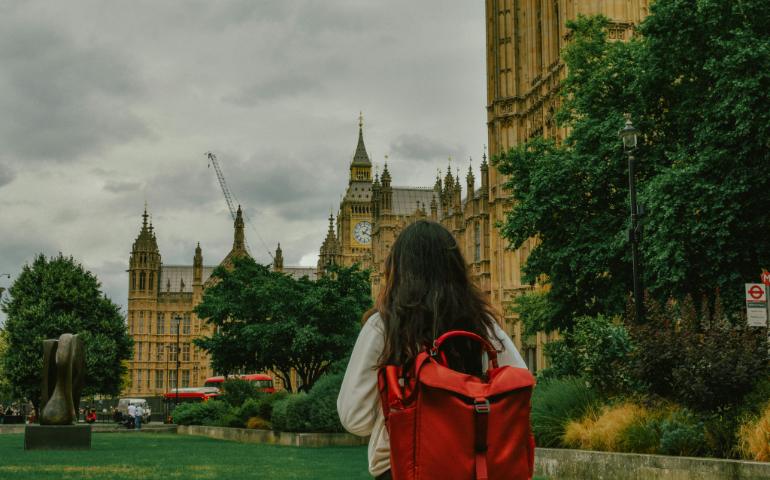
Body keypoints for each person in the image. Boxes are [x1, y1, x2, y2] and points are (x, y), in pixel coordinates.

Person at [337, 220, 527, 479]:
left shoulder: (384, 325)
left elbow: (355, 418)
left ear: (398, 269)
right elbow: (519, 383)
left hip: (401, 469)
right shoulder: (482, 324)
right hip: (470, 467)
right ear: (456, 268)